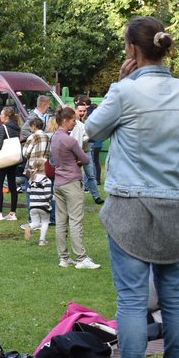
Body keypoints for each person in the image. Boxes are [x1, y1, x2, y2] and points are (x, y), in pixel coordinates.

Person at [85, 17, 179, 358]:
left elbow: (91, 130)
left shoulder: (125, 92)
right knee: (177, 298)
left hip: (131, 204)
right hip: (177, 203)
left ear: (131, 50)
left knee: (132, 300)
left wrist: (120, 82)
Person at [49, 106, 99, 269]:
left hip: (59, 182)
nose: (74, 123)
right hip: (71, 181)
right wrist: (76, 160)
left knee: (61, 221)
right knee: (76, 220)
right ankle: (81, 258)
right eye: (72, 120)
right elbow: (85, 159)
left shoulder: (55, 137)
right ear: (65, 120)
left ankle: (64, 257)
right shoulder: (70, 140)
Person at [72, 102, 104, 205]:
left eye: (84, 111)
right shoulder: (72, 122)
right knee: (75, 176)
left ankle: (96, 196)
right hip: (74, 152)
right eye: (80, 111)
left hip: (86, 151)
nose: (82, 113)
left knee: (90, 174)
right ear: (75, 110)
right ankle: (75, 197)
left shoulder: (87, 121)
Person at [0, 107, 21, 220]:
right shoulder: (16, 127)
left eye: (1, 114)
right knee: (12, 185)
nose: (0, 116)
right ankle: (12, 213)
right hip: (13, 159)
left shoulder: (2, 127)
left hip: (4, 159)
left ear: (6, 116)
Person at [25, 159, 52, 246]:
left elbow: (28, 191)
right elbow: (48, 195)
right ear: (44, 168)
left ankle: (29, 227)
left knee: (35, 223)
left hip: (33, 205)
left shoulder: (31, 180)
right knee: (45, 222)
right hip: (43, 206)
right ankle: (42, 240)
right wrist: (56, 198)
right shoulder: (46, 180)